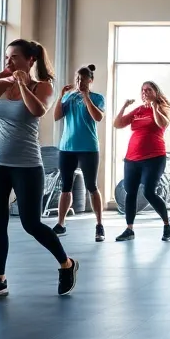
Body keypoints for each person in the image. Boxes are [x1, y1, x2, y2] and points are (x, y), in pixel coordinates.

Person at [0, 39, 77, 301]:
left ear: (30, 60)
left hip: (26, 164)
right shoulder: (3, 84)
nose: (9, 61)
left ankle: (67, 264)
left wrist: (24, 84)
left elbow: (37, 110)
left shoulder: (42, 86)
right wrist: (1, 74)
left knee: (31, 223)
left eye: (14, 57)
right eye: (7, 57)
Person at [113, 81, 170, 243]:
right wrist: (124, 107)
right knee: (130, 192)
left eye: (148, 89)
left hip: (154, 158)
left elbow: (163, 124)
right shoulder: (138, 110)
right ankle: (129, 229)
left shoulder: (162, 109)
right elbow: (117, 124)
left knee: (149, 192)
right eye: (142, 90)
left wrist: (153, 107)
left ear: (156, 92)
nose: (145, 92)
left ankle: (167, 225)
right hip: (132, 158)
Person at [53, 64, 105, 241]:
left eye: (83, 79)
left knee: (92, 186)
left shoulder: (97, 97)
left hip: (88, 148)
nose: (79, 81)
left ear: (90, 80)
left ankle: (99, 225)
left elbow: (97, 117)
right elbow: (56, 116)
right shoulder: (68, 97)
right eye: (77, 78)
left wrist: (85, 96)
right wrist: (61, 96)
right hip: (67, 147)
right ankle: (61, 224)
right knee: (65, 187)